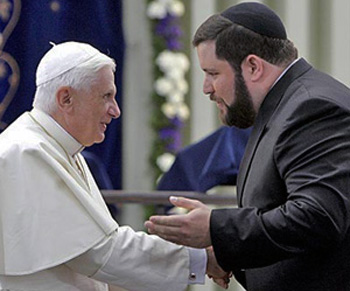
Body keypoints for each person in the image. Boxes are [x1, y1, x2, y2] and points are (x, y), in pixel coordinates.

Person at [145, 2, 350, 291]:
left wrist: (216, 229)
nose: (205, 87)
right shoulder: (283, 105)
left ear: (253, 66)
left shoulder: (313, 108)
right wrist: (228, 253)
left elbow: (317, 218)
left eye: (213, 73)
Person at [0, 41, 228, 291]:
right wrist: (203, 260)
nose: (116, 110)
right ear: (66, 98)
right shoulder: (27, 152)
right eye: (106, 96)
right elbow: (99, 251)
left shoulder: (60, 147)